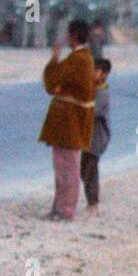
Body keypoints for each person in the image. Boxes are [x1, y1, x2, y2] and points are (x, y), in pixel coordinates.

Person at [39, 19, 97, 221]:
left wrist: (55, 56)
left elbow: (52, 81)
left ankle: (65, 210)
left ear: (73, 36)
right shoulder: (83, 58)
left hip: (70, 123)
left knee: (67, 168)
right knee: (64, 166)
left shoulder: (79, 59)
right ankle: (60, 208)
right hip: (69, 123)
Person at [79, 57, 112, 215]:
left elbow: (93, 111)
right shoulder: (94, 89)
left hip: (97, 137)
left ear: (103, 74)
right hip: (89, 137)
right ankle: (91, 201)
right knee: (84, 169)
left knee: (90, 170)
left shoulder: (102, 93)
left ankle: (93, 205)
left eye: (95, 71)